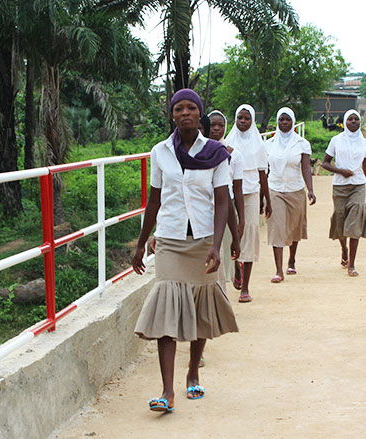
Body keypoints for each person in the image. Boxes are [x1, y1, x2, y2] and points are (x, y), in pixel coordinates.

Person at [132, 89, 238, 413]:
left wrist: (219, 245)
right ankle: (167, 391)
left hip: (204, 239)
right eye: (179, 108)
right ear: (173, 115)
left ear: (200, 114)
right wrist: (140, 242)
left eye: (191, 107)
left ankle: (193, 373)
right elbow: (154, 200)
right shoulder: (160, 152)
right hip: (169, 239)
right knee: (166, 309)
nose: (185, 113)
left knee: (201, 308)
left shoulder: (217, 153)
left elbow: (222, 201)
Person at [224, 104, 271, 303]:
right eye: (239, 118)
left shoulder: (259, 144)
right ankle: (236, 266)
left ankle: (245, 287)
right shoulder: (227, 142)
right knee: (230, 233)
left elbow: (262, 173)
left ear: (252, 120)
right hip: (230, 194)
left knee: (250, 235)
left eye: (246, 118)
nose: (242, 122)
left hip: (251, 193)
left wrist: (266, 199)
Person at [321, 109, 366, 277]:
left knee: (355, 223)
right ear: (344, 122)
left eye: (356, 119)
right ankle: (343, 248)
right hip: (339, 187)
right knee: (340, 223)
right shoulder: (336, 140)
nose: (353, 122)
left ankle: (352, 264)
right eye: (350, 119)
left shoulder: (364, 142)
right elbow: (325, 163)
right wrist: (341, 171)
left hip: (358, 186)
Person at [264, 107, 316, 282]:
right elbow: (265, 170)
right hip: (275, 189)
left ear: (293, 122)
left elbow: (306, 167)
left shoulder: (302, 143)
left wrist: (311, 190)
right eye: (281, 120)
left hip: (295, 189)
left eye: (287, 120)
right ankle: (279, 270)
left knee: (294, 227)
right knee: (276, 227)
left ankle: (291, 260)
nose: (284, 123)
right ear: (277, 122)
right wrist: (262, 194)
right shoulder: (268, 145)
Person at [208, 110, 245, 285]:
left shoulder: (233, 155)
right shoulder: (197, 153)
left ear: (225, 127)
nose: (216, 129)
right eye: (212, 125)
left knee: (223, 258)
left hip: (225, 209)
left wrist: (241, 220)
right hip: (204, 209)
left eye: (220, 125)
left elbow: (237, 190)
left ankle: (222, 298)